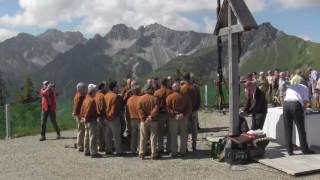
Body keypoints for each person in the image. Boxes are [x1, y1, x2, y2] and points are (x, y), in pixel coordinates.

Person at [283, 83, 315, 155]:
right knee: (301, 129)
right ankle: (304, 149)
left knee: (288, 129)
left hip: (285, 104)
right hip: (295, 105)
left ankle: (289, 150)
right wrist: (304, 109)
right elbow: (305, 101)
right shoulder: (305, 87)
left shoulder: (291, 86)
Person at [166, 82, 192, 157]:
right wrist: (183, 114)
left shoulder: (169, 97)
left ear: (172, 88)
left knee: (173, 135)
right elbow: (189, 107)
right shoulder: (185, 96)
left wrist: (174, 114)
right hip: (183, 118)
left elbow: (168, 108)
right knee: (184, 135)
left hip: (173, 119)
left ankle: (174, 152)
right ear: (179, 88)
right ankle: (183, 151)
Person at [138, 84, 160, 160]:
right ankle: (154, 153)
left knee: (143, 137)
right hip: (153, 121)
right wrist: (151, 116)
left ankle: (142, 153)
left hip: (143, 121)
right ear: (150, 90)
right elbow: (156, 108)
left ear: (145, 90)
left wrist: (144, 118)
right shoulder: (155, 99)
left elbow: (139, 110)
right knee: (153, 137)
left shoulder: (140, 99)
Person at [80, 84, 102, 158]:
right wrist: (86, 117)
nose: (96, 93)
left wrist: (82, 117)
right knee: (92, 136)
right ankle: (94, 152)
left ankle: (86, 151)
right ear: (92, 92)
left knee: (86, 136)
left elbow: (82, 109)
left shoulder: (85, 99)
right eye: (95, 92)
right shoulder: (92, 100)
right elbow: (89, 111)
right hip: (91, 120)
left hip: (85, 121)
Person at [104, 81, 124, 156]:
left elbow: (104, 108)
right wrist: (110, 117)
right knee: (117, 136)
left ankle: (108, 150)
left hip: (106, 118)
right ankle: (118, 151)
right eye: (117, 87)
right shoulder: (115, 96)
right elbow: (114, 109)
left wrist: (106, 117)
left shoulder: (105, 96)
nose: (118, 88)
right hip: (114, 119)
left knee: (108, 135)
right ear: (114, 88)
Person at [154, 78, 172, 154]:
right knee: (169, 132)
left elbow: (155, 104)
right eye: (169, 82)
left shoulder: (156, 92)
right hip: (168, 113)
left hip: (160, 114)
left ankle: (160, 148)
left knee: (160, 132)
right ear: (166, 83)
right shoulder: (170, 92)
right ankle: (168, 148)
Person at [180, 73, 198, 151]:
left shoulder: (181, 88)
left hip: (185, 112)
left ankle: (185, 147)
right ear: (189, 79)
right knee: (194, 129)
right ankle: (194, 145)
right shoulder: (194, 88)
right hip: (193, 111)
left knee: (185, 129)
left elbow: (181, 101)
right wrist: (195, 109)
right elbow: (198, 100)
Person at [126, 85, 142, 155]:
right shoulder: (141, 98)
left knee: (133, 135)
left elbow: (127, 111)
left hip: (132, 119)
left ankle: (133, 149)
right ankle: (139, 149)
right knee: (140, 135)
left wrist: (127, 119)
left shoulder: (129, 99)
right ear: (138, 91)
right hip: (140, 118)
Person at [72, 82, 87, 151]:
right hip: (79, 116)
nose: (85, 89)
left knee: (81, 130)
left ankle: (81, 144)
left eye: (85, 87)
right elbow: (77, 107)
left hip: (78, 115)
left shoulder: (77, 95)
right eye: (84, 87)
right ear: (79, 89)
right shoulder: (80, 96)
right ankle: (80, 146)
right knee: (81, 131)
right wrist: (78, 116)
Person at [95, 82, 107, 152]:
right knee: (105, 132)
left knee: (99, 133)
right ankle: (105, 146)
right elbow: (102, 106)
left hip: (96, 117)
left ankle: (99, 146)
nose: (105, 88)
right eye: (104, 87)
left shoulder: (95, 95)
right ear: (102, 88)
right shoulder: (102, 95)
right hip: (101, 117)